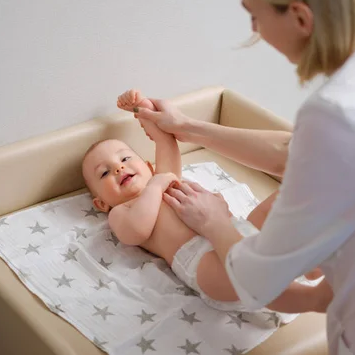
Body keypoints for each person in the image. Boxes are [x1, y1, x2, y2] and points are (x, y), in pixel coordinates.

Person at [132, 0, 355, 355]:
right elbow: (289, 153)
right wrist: (185, 128)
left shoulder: (338, 114)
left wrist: (215, 221)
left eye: (255, 17)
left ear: (301, 19)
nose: (254, 31)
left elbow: (257, 281)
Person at [81, 89, 321, 312]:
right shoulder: (123, 209)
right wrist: (155, 184)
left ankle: (307, 261)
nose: (119, 168)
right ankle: (296, 272)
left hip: (238, 232)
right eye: (104, 172)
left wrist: (141, 109)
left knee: (291, 195)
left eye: (124, 158)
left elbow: (164, 141)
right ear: (101, 203)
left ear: (147, 166)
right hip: (202, 262)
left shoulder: (165, 181)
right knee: (255, 273)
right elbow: (135, 231)